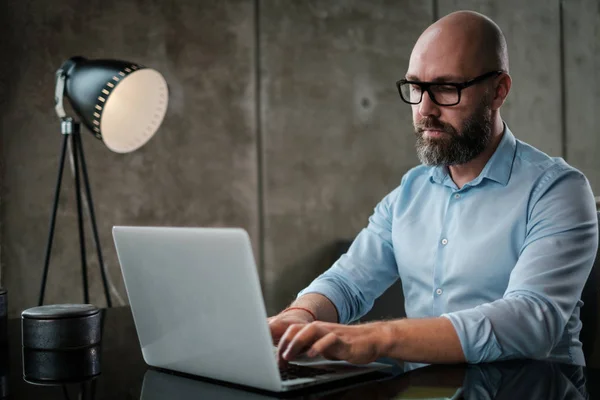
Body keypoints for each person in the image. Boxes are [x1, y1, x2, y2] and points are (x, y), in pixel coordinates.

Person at [268, 10, 599, 368]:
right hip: (422, 391)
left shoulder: (557, 191)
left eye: (446, 88)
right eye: (415, 87)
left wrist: (379, 338)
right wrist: (301, 314)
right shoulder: (409, 193)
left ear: (498, 90)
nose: (425, 109)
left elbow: (530, 321)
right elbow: (348, 282)